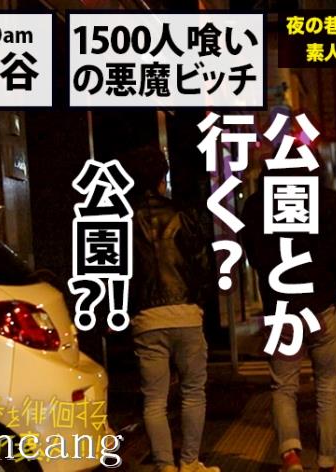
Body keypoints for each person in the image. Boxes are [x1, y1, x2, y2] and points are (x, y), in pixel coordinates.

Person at [239, 161, 336, 472]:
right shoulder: (326, 201)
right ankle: (327, 462)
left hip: (281, 311)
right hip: (321, 306)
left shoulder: (256, 206)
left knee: (284, 386)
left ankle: (291, 457)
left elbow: (254, 256)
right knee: (327, 385)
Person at [119, 146, 220, 472]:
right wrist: (198, 302)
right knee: (193, 392)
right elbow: (204, 265)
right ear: (163, 178)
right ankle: (189, 462)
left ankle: (165, 466)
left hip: (147, 319)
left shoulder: (124, 218)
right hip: (186, 314)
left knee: (154, 400)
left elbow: (118, 273)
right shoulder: (183, 214)